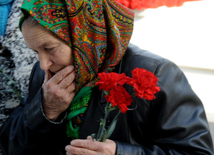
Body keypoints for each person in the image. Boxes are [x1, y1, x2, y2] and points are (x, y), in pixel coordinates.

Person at [0, 0, 213, 154]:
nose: (43, 62)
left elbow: (196, 151)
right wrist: (45, 110)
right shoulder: (45, 74)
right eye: (36, 52)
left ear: (85, 36)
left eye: (50, 48)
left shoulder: (154, 73)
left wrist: (119, 152)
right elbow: (10, 145)